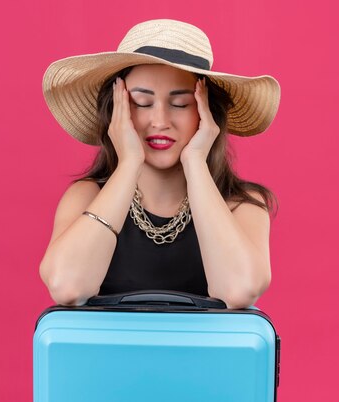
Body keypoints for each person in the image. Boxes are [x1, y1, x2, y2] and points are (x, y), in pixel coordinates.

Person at [39, 19, 280, 309]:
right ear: (118, 110)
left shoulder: (244, 205)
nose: (160, 121)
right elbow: (66, 286)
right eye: (141, 102)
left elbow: (239, 290)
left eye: (180, 104)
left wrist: (195, 163)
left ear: (206, 113)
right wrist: (128, 164)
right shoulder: (87, 196)